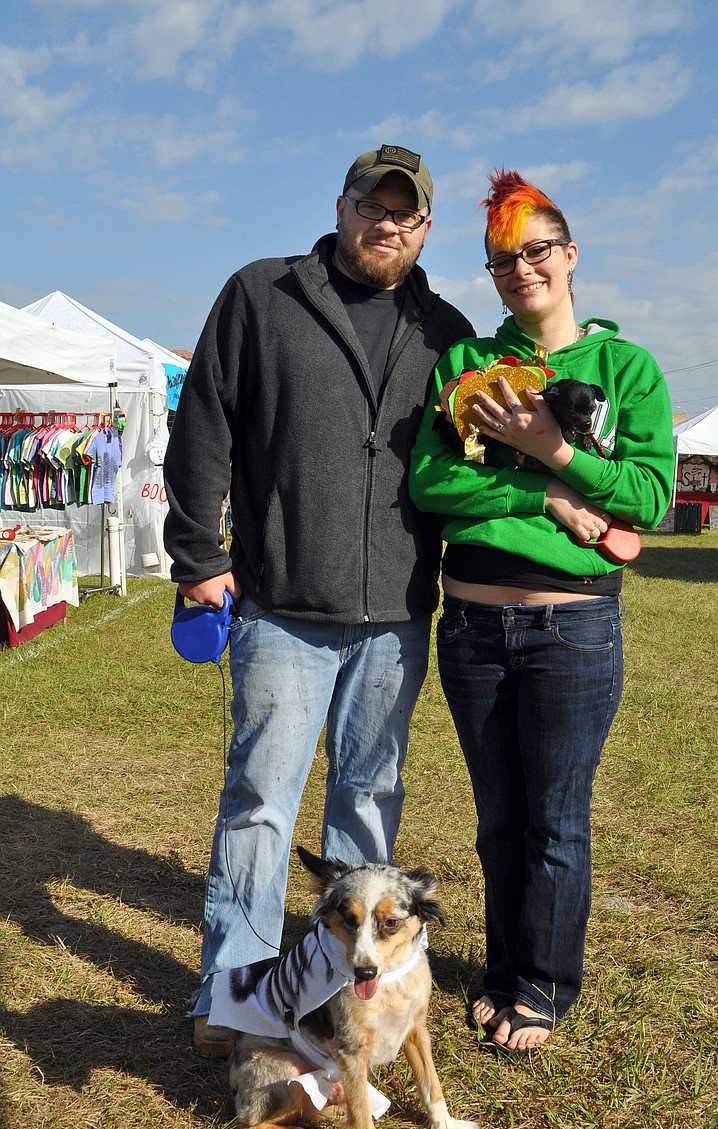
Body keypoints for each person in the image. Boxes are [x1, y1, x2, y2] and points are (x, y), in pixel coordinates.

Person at [163, 144, 474, 1057]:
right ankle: (235, 997)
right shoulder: (264, 295)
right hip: (283, 605)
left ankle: (343, 990)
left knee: (368, 806)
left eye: (405, 213)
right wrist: (197, 553)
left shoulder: (445, 330)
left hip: (397, 615)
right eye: (370, 206)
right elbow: (203, 428)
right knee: (260, 800)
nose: (386, 224)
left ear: (424, 228)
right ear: (340, 209)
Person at [409, 171, 674, 1052]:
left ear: (568, 256)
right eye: (499, 260)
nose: (520, 269)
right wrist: (547, 499)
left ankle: (545, 985)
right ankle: (498, 970)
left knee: (557, 817)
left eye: (534, 251)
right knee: (497, 819)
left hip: (574, 628)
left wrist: (552, 447)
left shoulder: (626, 369)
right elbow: (431, 482)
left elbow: (649, 497)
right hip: (474, 629)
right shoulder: (467, 365)